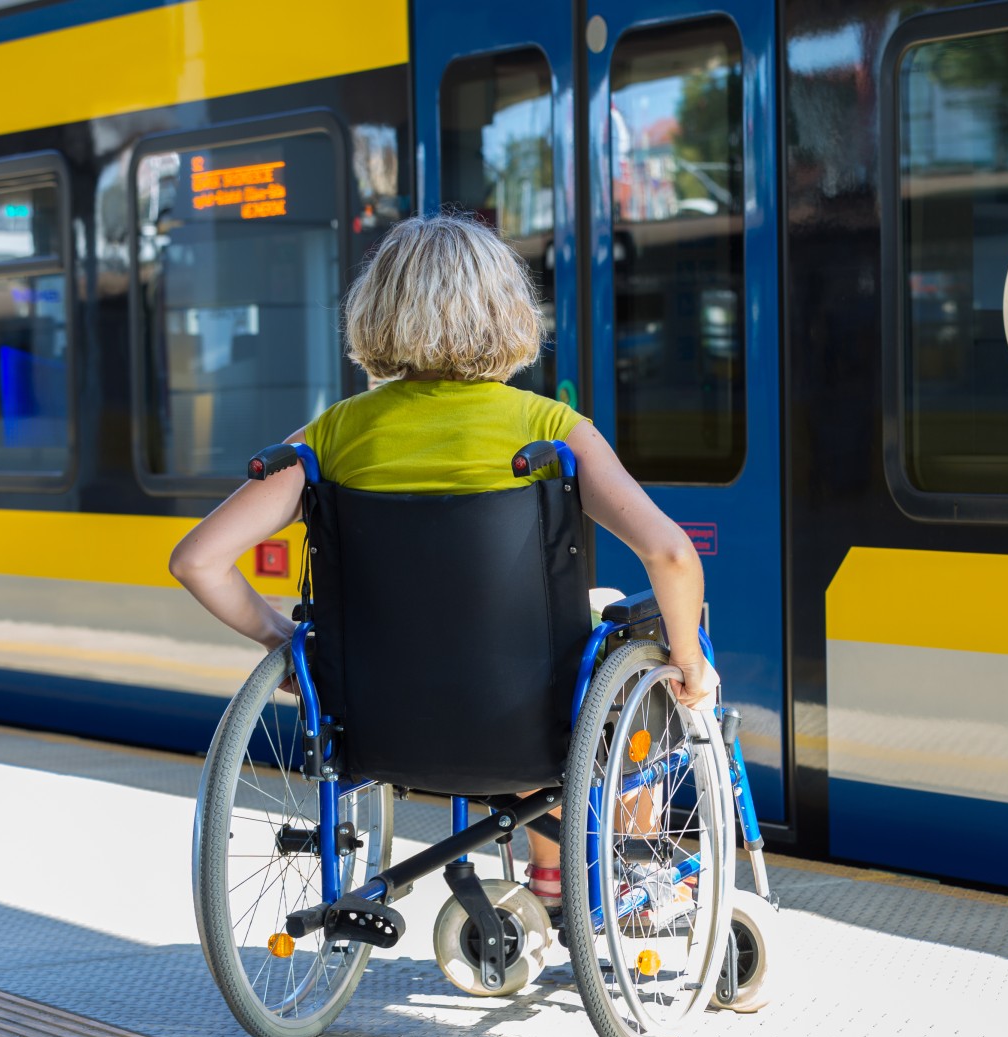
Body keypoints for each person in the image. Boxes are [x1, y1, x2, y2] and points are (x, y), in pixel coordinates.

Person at [168, 212, 719, 915]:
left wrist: (293, 647)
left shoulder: (331, 435)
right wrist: (691, 669)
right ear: (504, 312)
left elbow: (197, 561)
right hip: (526, 718)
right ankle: (631, 883)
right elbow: (670, 553)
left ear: (378, 312)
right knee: (652, 639)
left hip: (380, 727)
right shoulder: (549, 428)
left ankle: (547, 881)